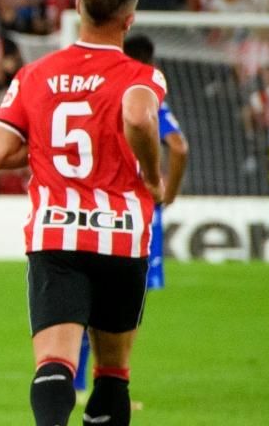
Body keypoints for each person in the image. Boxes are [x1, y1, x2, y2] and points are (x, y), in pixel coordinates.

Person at [0, 0, 166, 426]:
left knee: (55, 363)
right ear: (128, 17)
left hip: (56, 235)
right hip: (118, 238)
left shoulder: (36, 73)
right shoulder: (140, 74)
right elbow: (139, 116)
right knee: (113, 370)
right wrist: (152, 171)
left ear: (80, 6)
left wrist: (45, 158)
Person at [74, 33, 188, 396]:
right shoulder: (145, 94)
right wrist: (166, 192)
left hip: (92, 203)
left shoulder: (99, 92)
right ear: (151, 63)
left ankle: (77, 383)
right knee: (124, 302)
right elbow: (179, 147)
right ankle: (109, 385)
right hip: (136, 210)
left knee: (88, 292)